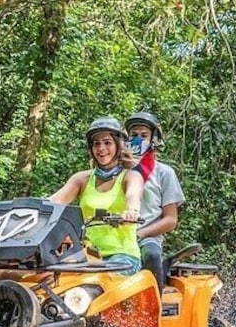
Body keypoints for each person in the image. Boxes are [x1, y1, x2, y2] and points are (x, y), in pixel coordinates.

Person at [49, 117, 144, 275]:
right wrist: (31, 209)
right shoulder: (81, 179)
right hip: (87, 254)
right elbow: (54, 201)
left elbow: (133, 196)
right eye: (96, 143)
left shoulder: (130, 177)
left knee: (101, 282)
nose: (101, 148)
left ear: (118, 145)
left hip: (122, 256)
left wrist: (132, 211)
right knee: (55, 277)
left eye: (107, 142)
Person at [124, 111, 185, 292]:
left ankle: (155, 302)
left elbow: (170, 220)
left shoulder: (164, 173)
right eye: (133, 135)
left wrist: (140, 234)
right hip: (115, 235)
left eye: (144, 135)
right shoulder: (117, 170)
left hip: (147, 236)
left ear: (153, 139)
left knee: (151, 254)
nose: (138, 139)